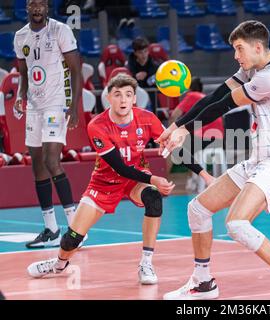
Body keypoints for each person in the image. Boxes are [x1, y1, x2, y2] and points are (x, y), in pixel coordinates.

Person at [157, 20, 270, 300]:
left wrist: (184, 130)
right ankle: (203, 283)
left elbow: (223, 106)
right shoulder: (253, 69)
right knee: (198, 210)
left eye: (239, 49)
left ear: (257, 47)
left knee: (237, 224)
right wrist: (176, 126)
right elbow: (215, 95)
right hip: (257, 161)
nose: (236, 55)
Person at [26, 74, 176, 284]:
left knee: (153, 199)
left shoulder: (147, 118)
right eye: (117, 95)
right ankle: (58, 264)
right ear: (108, 98)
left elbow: (174, 147)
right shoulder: (97, 125)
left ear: (134, 98)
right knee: (72, 239)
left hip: (135, 181)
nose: (123, 100)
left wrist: (205, 175)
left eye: (128, 95)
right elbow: (119, 167)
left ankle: (146, 263)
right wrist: (153, 179)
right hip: (104, 183)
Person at [13, 0, 83, 249]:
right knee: (38, 167)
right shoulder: (20, 36)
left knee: (52, 161)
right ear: (27, 7)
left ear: (47, 7)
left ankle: (76, 229)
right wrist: (21, 95)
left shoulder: (60, 30)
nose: (37, 8)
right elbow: (23, 71)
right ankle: (51, 229)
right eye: (33, 3)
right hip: (34, 107)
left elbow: (76, 70)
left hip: (56, 104)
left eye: (42, 3)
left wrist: (74, 106)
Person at [169, 77, 224, 192]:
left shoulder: (191, 96)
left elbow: (174, 115)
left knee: (174, 146)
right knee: (188, 144)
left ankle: (169, 178)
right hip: (220, 139)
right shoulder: (205, 97)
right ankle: (193, 179)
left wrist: (170, 132)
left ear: (188, 88)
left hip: (205, 138)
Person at [127, 37, 159, 112]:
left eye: (145, 51)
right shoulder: (129, 66)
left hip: (152, 99)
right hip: (136, 100)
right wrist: (134, 77)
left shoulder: (155, 65)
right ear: (135, 53)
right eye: (140, 52)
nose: (144, 55)